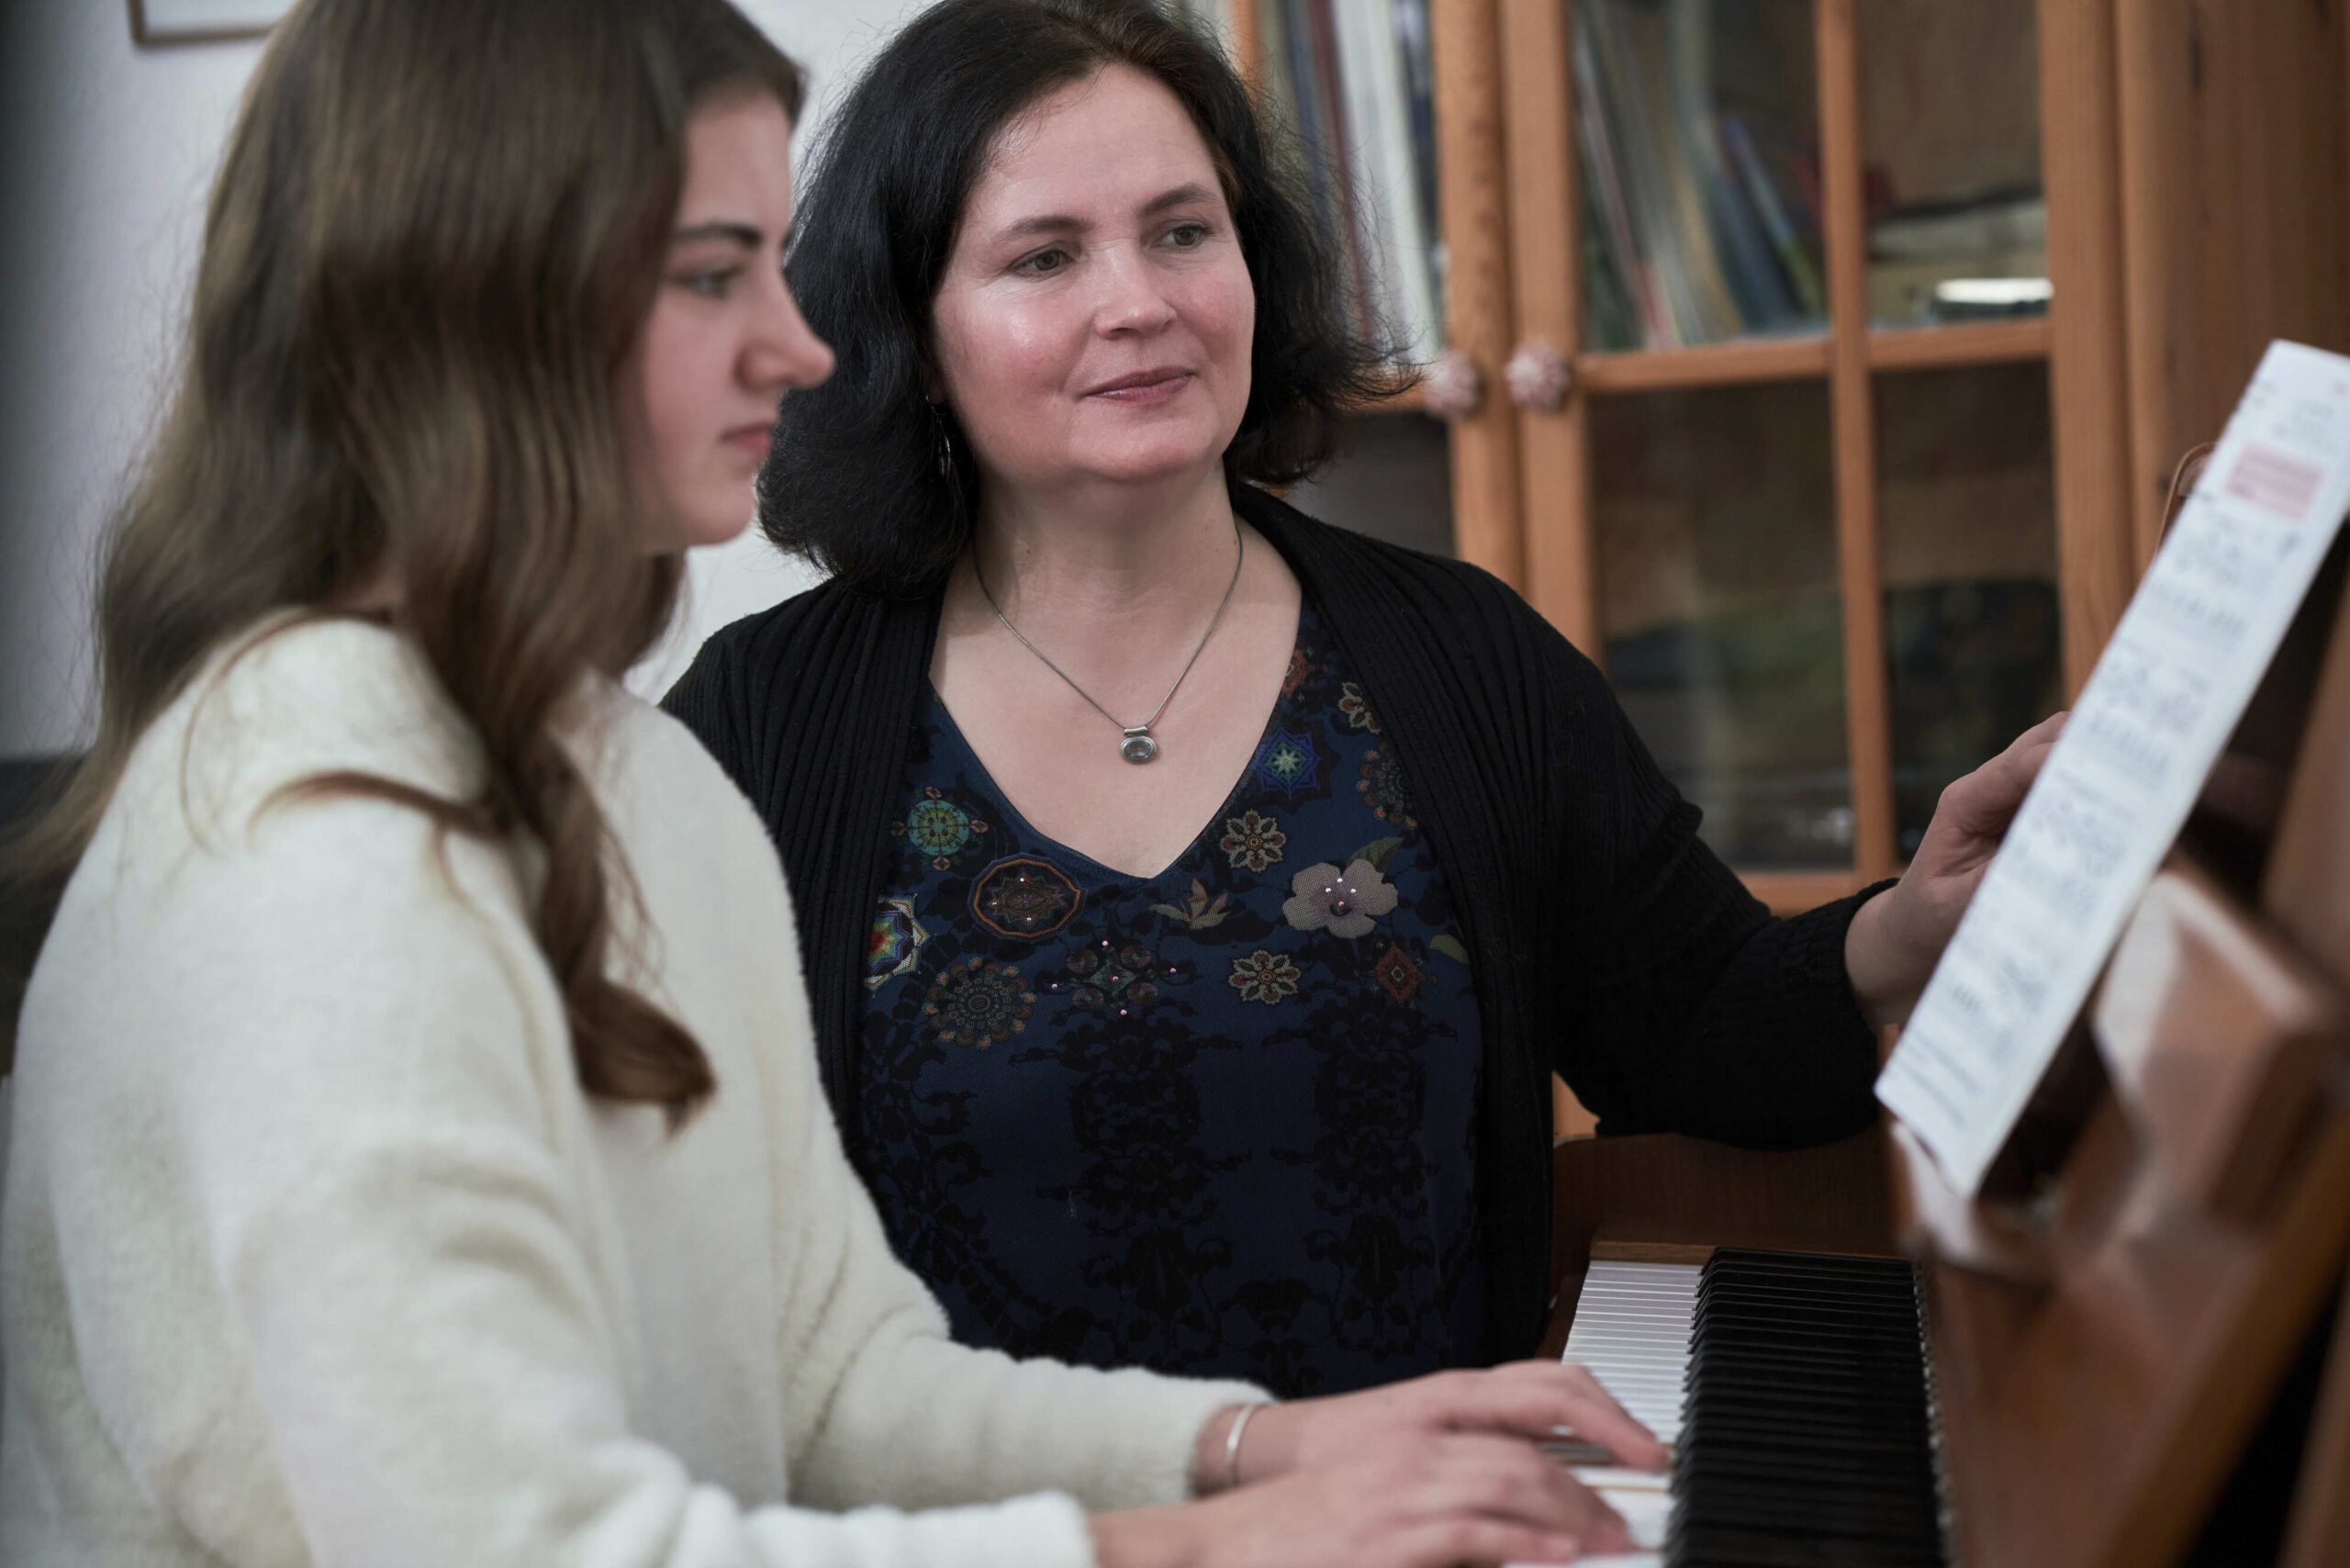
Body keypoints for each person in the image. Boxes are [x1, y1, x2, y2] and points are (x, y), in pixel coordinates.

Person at [0, 0, 1672, 1562]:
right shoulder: (310, 847)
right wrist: (1196, 1542)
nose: (801, 346)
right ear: (484, 302)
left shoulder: (638, 786)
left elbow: (833, 1385)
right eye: (715, 274)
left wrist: (1264, 1451)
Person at [663, 0, 2061, 1399]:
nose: (1139, 300)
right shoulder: (762, 726)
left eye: (1181, 231)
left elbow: (1694, 1029)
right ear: (912, 328)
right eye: (1044, 256)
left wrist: (1905, 930)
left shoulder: (1464, 660)